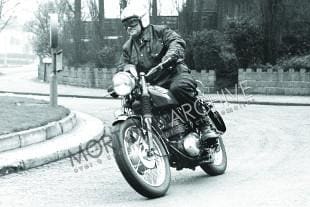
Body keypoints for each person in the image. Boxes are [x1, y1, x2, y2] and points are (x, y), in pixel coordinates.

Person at [118, 4, 219, 141]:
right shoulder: (127, 48)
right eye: (126, 25)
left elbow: (176, 41)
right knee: (135, 104)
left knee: (179, 88)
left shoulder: (160, 32)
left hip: (174, 74)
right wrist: (122, 78)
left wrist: (170, 56)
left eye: (132, 23)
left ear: (143, 20)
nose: (129, 27)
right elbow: (123, 66)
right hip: (151, 84)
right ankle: (157, 137)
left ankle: (204, 125)